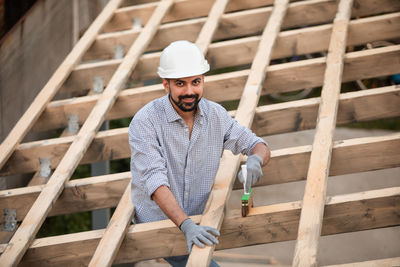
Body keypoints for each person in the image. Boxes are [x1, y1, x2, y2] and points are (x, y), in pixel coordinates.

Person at [129, 40, 270, 266]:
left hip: (197, 219)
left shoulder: (215, 116)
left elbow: (255, 143)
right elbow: (155, 182)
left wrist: (256, 159)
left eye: (196, 82)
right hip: (158, 224)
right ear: (166, 85)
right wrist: (186, 225)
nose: (189, 91)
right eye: (180, 84)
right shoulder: (145, 122)